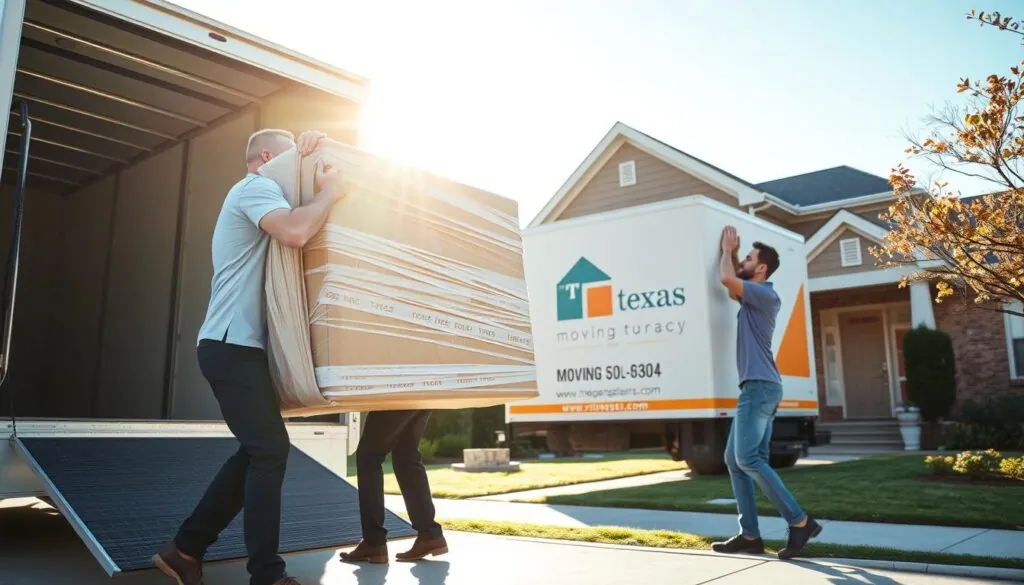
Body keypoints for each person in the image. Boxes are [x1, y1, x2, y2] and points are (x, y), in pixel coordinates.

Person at [152, 128, 346, 585]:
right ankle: (266, 574)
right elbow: (297, 231)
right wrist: (332, 191)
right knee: (270, 450)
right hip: (228, 345)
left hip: (240, 349)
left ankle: (185, 549)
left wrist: (320, 149)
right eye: (290, 160)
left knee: (256, 452)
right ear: (266, 157)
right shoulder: (256, 187)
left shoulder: (267, 195)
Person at [712, 225, 821, 560]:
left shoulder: (764, 294)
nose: (743, 260)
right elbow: (732, 286)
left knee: (749, 458)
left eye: (749, 257)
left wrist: (726, 250)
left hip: (759, 387)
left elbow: (727, 280)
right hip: (759, 386)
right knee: (734, 460)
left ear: (760, 268)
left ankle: (800, 521)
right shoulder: (754, 296)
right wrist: (731, 255)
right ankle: (750, 535)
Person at [340, 410, 447, 564]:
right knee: (406, 455)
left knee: (369, 457)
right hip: (421, 391)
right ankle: (429, 534)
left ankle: (374, 541)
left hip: (396, 391)